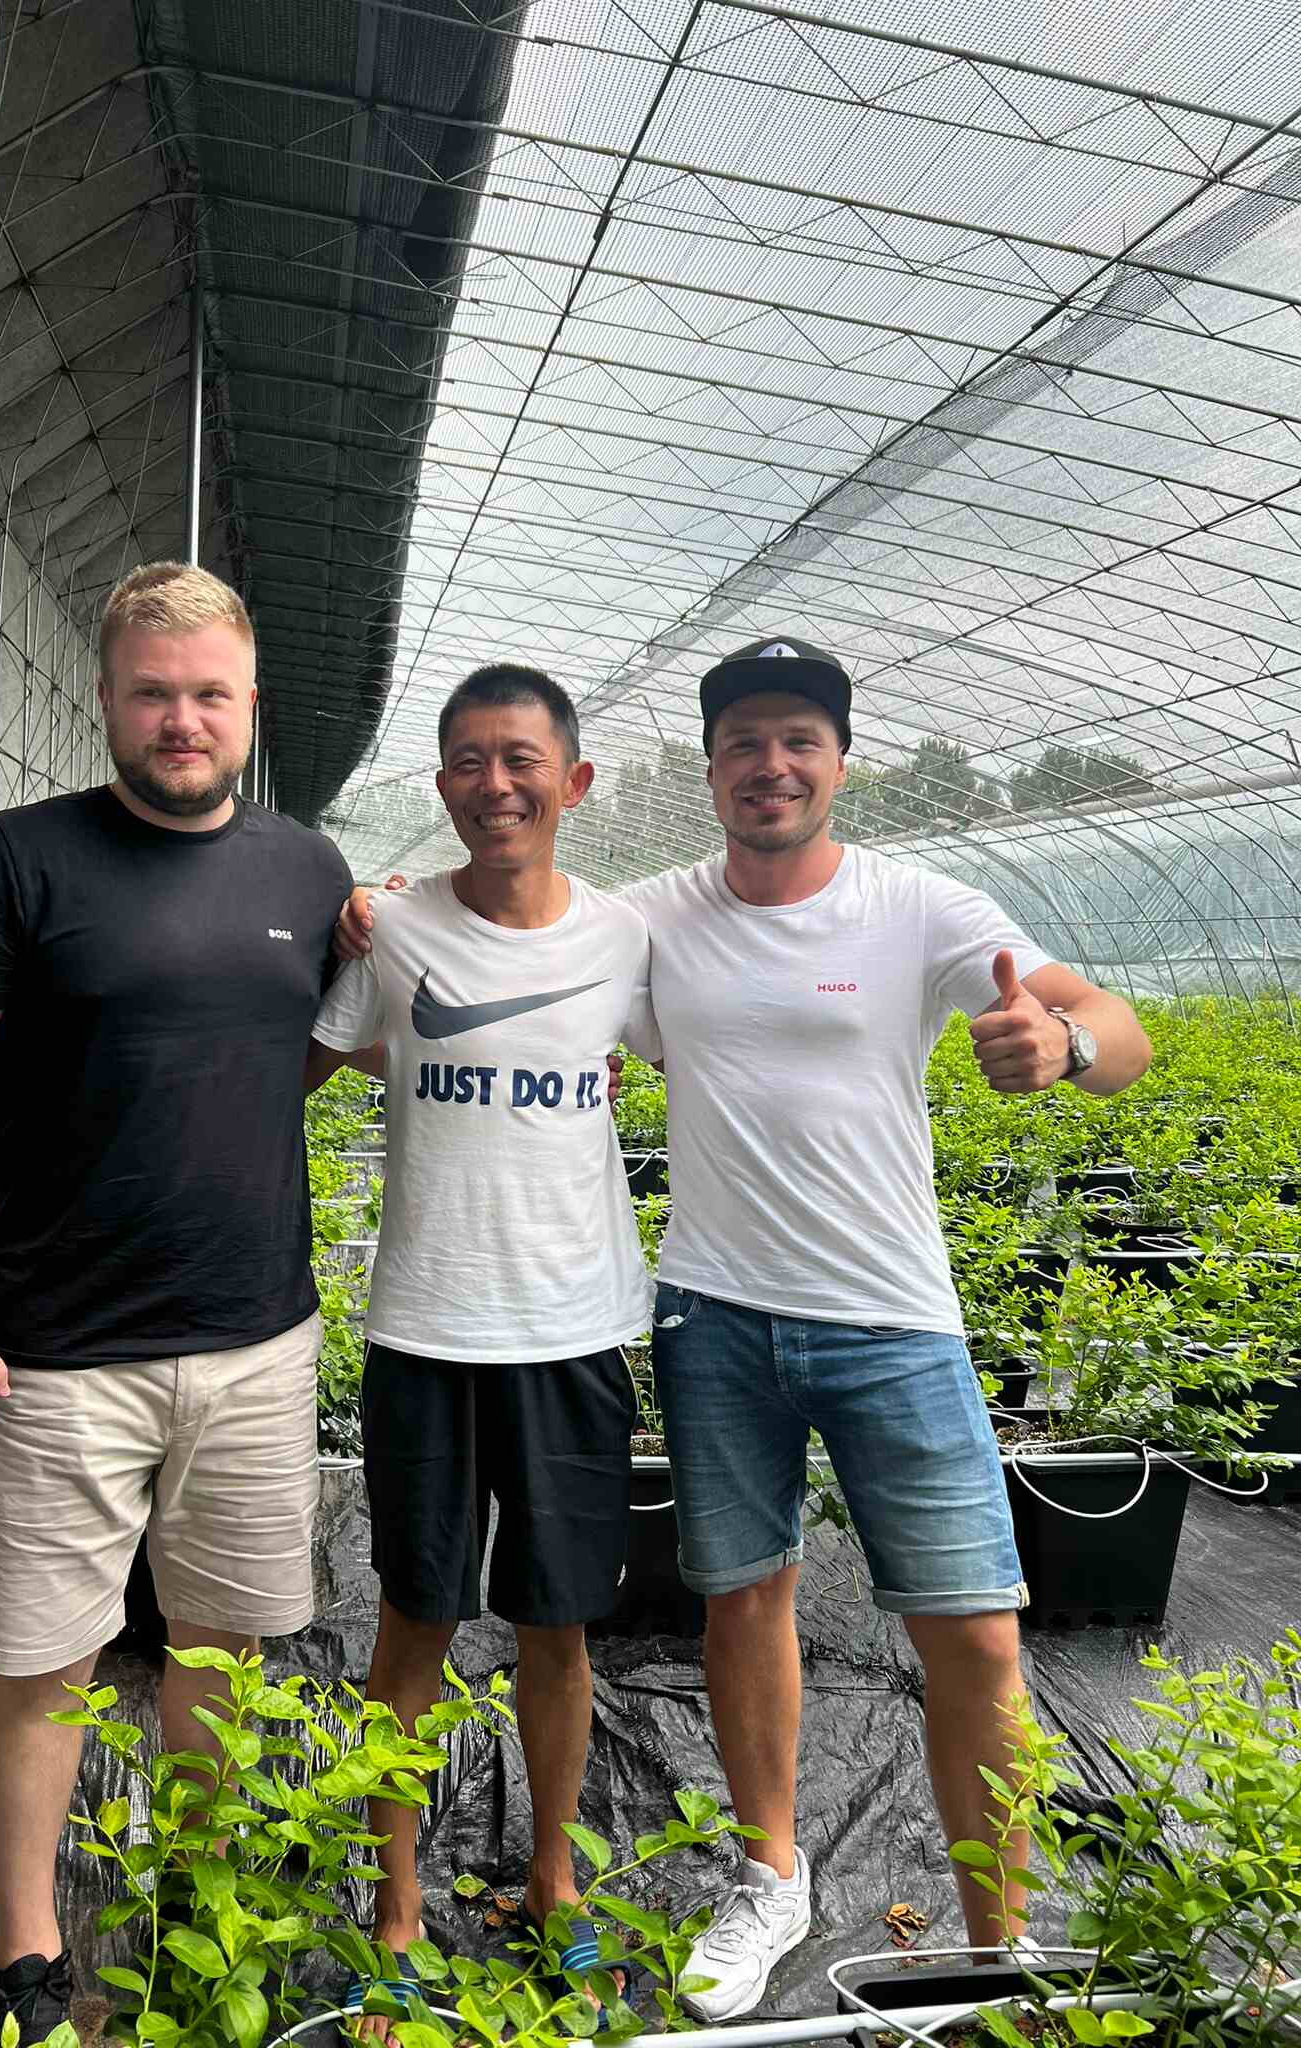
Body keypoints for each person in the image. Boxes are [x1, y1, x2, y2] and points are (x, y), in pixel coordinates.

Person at [339, 634, 1152, 2020]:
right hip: (710, 1314)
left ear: (840, 761)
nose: (769, 766)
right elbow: (494, 962)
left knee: (978, 1636)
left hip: (895, 1317)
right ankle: (770, 1878)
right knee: (743, 1605)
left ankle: (992, 1952)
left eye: (798, 741)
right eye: (742, 743)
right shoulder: (649, 916)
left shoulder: (919, 908)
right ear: (707, 767)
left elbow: (1111, 1023)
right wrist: (370, 900)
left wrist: (1064, 1049)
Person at [0, 562, 357, 2047]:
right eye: (153, 692)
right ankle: (26, 1955)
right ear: (107, 697)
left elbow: (308, 1050)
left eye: (209, 693)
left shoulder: (308, 871)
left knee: (225, 1648)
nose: (181, 719)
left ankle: (199, 1905)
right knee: (39, 1662)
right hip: (61, 1350)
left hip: (259, 1340)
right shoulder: (19, 861)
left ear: (249, 704)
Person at [306, 662, 653, 2028]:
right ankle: (397, 1905)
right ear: (440, 785)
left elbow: (727, 1057)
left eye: (520, 761)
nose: (493, 785)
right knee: (415, 1618)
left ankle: (554, 1884)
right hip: (426, 1331)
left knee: (558, 1629)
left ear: (572, 784)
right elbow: (300, 1065)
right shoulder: (392, 934)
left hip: (574, 1333)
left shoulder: (629, 939)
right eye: (465, 762)